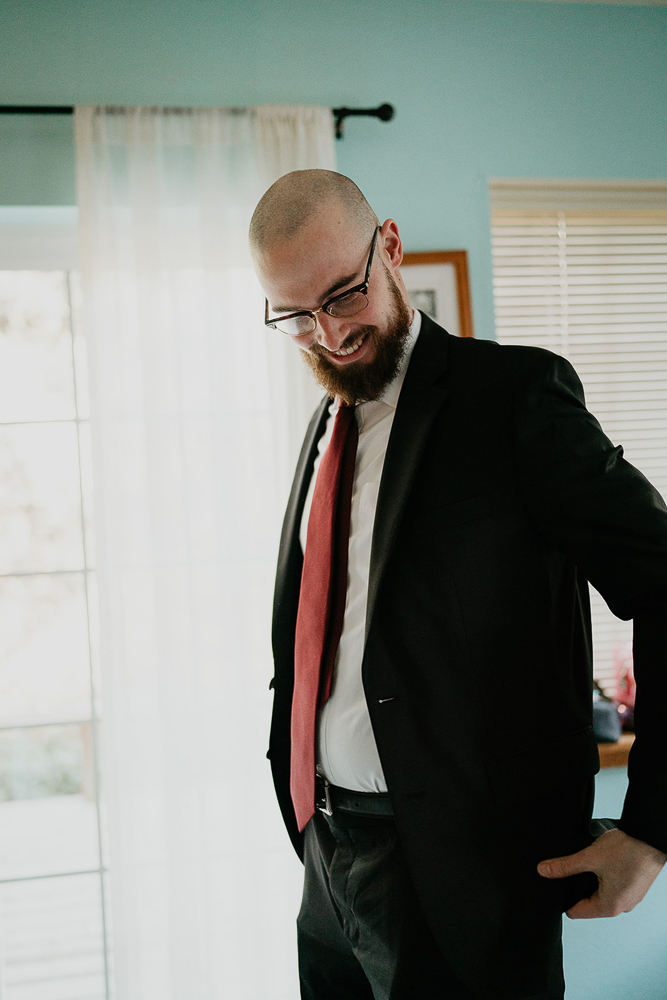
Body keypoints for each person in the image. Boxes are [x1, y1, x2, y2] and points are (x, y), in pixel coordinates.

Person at [249, 169, 667, 1000]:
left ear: (391, 247)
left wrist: (651, 832)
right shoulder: (322, 427)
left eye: (342, 295)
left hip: (461, 878)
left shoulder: (513, 397)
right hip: (327, 862)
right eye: (296, 316)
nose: (328, 335)